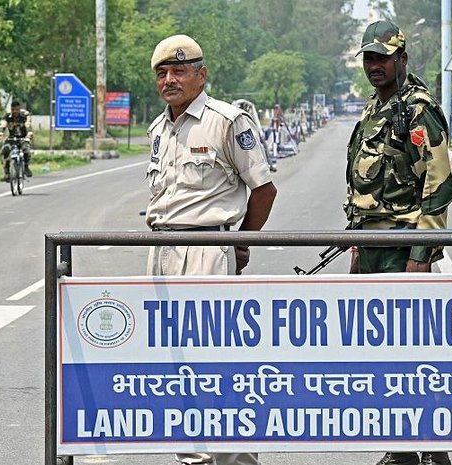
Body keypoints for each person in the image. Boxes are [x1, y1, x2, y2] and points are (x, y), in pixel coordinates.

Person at [145, 34, 277, 465]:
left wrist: (241, 242)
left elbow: (264, 190)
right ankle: (191, 457)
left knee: (217, 363)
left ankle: (236, 459)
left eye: (179, 70)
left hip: (208, 248)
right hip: (162, 249)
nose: (169, 79)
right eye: (162, 72)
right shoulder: (158, 128)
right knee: (171, 362)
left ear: (201, 75)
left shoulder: (228, 121)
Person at [345, 19, 452, 465]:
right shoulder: (376, 107)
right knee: (378, 354)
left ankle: (430, 448)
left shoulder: (417, 108)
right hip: (370, 246)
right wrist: (353, 240)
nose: (375, 65)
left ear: (401, 59)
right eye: (369, 58)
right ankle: (402, 446)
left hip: (402, 247)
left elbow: (438, 184)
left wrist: (421, 254)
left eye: (383, 58)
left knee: (409, 354)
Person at [0, 100, 34, 180]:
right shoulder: (7, 116)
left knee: (26, 151)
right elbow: (3, 125)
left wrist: (29, 134)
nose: (15, 111)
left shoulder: (25, 115)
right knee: (5, 151)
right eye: (13, 110)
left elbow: (28, 125)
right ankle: (7, 173)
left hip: (23, 138)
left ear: (19, 109)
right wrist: (1, 134)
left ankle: (26, 167)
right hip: (11, 138)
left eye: (17, 109)